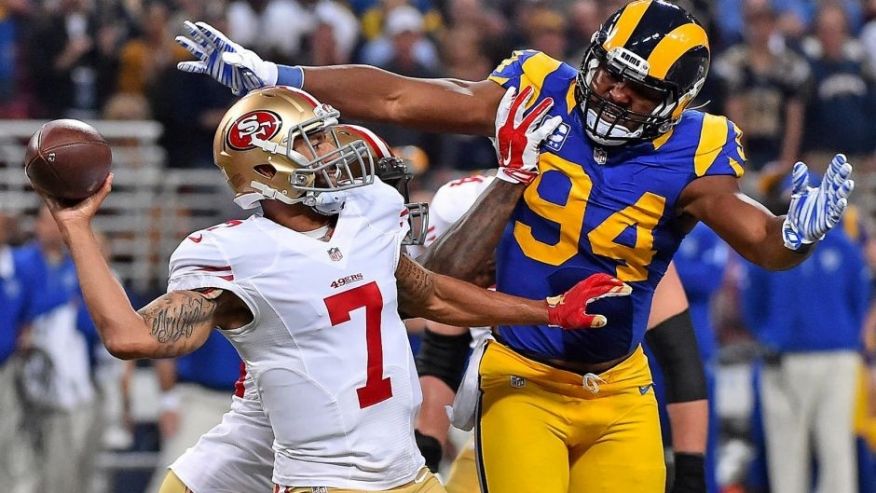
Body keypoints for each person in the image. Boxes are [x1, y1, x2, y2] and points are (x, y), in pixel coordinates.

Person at [177, 2, 855, 490]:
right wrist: (282, 75)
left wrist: (795, 234)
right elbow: (403, 98)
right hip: (524, 376)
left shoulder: (695, 148)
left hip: (622, 387)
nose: (615, 94)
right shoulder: (540, 91)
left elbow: (762, 240)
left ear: (676, 102)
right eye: (610, 73)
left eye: (639, 88)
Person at [42, 86, 628, 493]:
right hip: (326, 478)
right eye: (315, 141)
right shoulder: (232, 254)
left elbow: (427, 293)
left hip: (403, 472)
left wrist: (547, 311)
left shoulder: (369, 208)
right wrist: (77, 226)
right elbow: (130, 336)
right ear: (268, 170)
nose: (335, 147)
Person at [414, 174, 709, 493]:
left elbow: (680, 358)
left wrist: (691, 471)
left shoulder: (616, 230)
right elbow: (442, 354)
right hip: (517, 401)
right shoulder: (463, 208)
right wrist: (426, 452)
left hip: (613, 400)